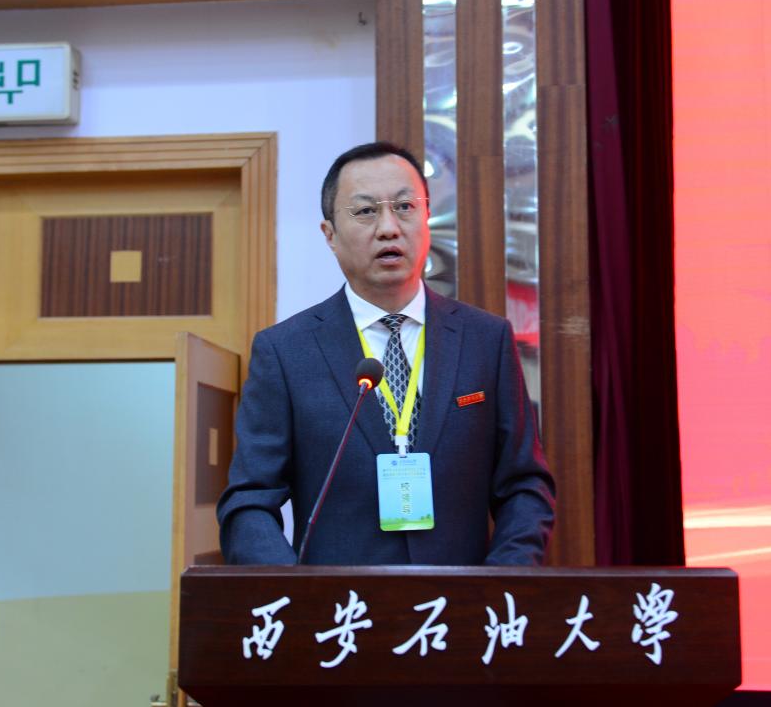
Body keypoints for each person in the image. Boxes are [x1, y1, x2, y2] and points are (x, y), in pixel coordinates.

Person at [216, 141, 555, 565]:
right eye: (365, 211)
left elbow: (524, 486)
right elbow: (249, 500)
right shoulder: (285, 352)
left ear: (426, 219)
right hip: (338, 603)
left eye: (405, 207)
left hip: (460, 599)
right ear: (330, 235)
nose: (389, 228)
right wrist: (294, 593)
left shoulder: (486, 340)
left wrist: (499, 581)